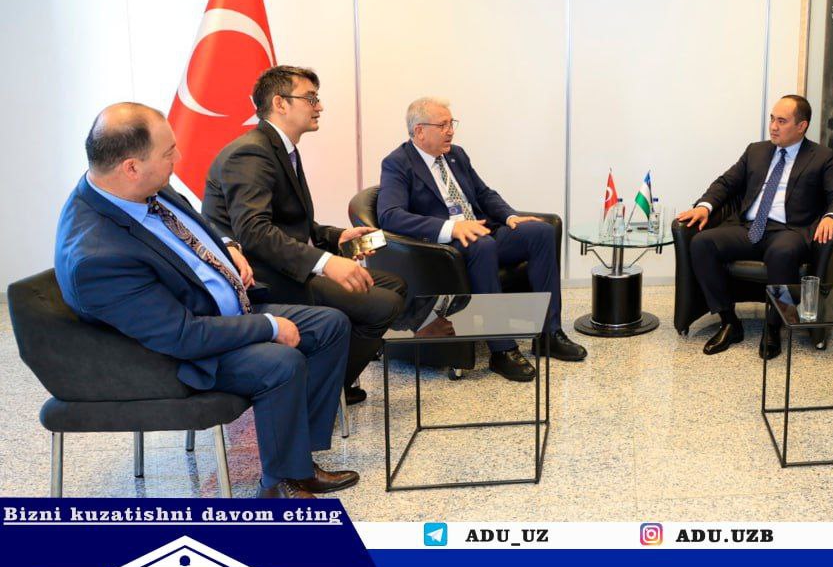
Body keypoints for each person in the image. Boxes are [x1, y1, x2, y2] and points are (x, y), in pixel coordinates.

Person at [55, 103, 357, 499]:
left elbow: (198, 225)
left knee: (331, 325)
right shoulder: (97, 255)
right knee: (281, 362)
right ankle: (280, 483)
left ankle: (298, 459)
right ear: (131, 167)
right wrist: (268, 326)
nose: (178, 158)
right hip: (175, 353)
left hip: (216, 312)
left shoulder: (143, 187)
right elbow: (181, 336)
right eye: (169, 152)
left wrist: (227, 246)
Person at [202, 66, 407, 405]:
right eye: (310, 98)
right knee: (383, 305)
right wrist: (326, 263)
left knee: (394, 285)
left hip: (287, 265)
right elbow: (254, 232)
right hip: (266, 276)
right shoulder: (250, 153)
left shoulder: (280, 149)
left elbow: (292, 224)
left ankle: (329, 382)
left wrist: (338, 238)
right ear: (280, 103)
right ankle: (318, 394)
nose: (319, 106)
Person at [376, 96, 586, 382]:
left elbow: (484, 194)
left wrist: (510, 217)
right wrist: (451, 228)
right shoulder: (398, 163)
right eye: (443, 125)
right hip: (443, 248)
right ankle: (502, 349)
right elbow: (390, 215)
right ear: (419, 131)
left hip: (481, 230)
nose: (451, 131)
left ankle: (549, 333)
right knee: (481, 244)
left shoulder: (456, 155)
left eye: (452, 123)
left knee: (541, 232)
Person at [674, 95, 833, 359]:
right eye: (772, 119)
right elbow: (726, 183)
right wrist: (705, 206)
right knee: (702, 242)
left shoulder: (822, 157)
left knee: (782, 253)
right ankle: (729, 322)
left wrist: (831, 217)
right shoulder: (756, 151)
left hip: (789, 231)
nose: (773, 127)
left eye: (782, 121)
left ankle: (773, 326)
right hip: (749, 227)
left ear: (801, 126)